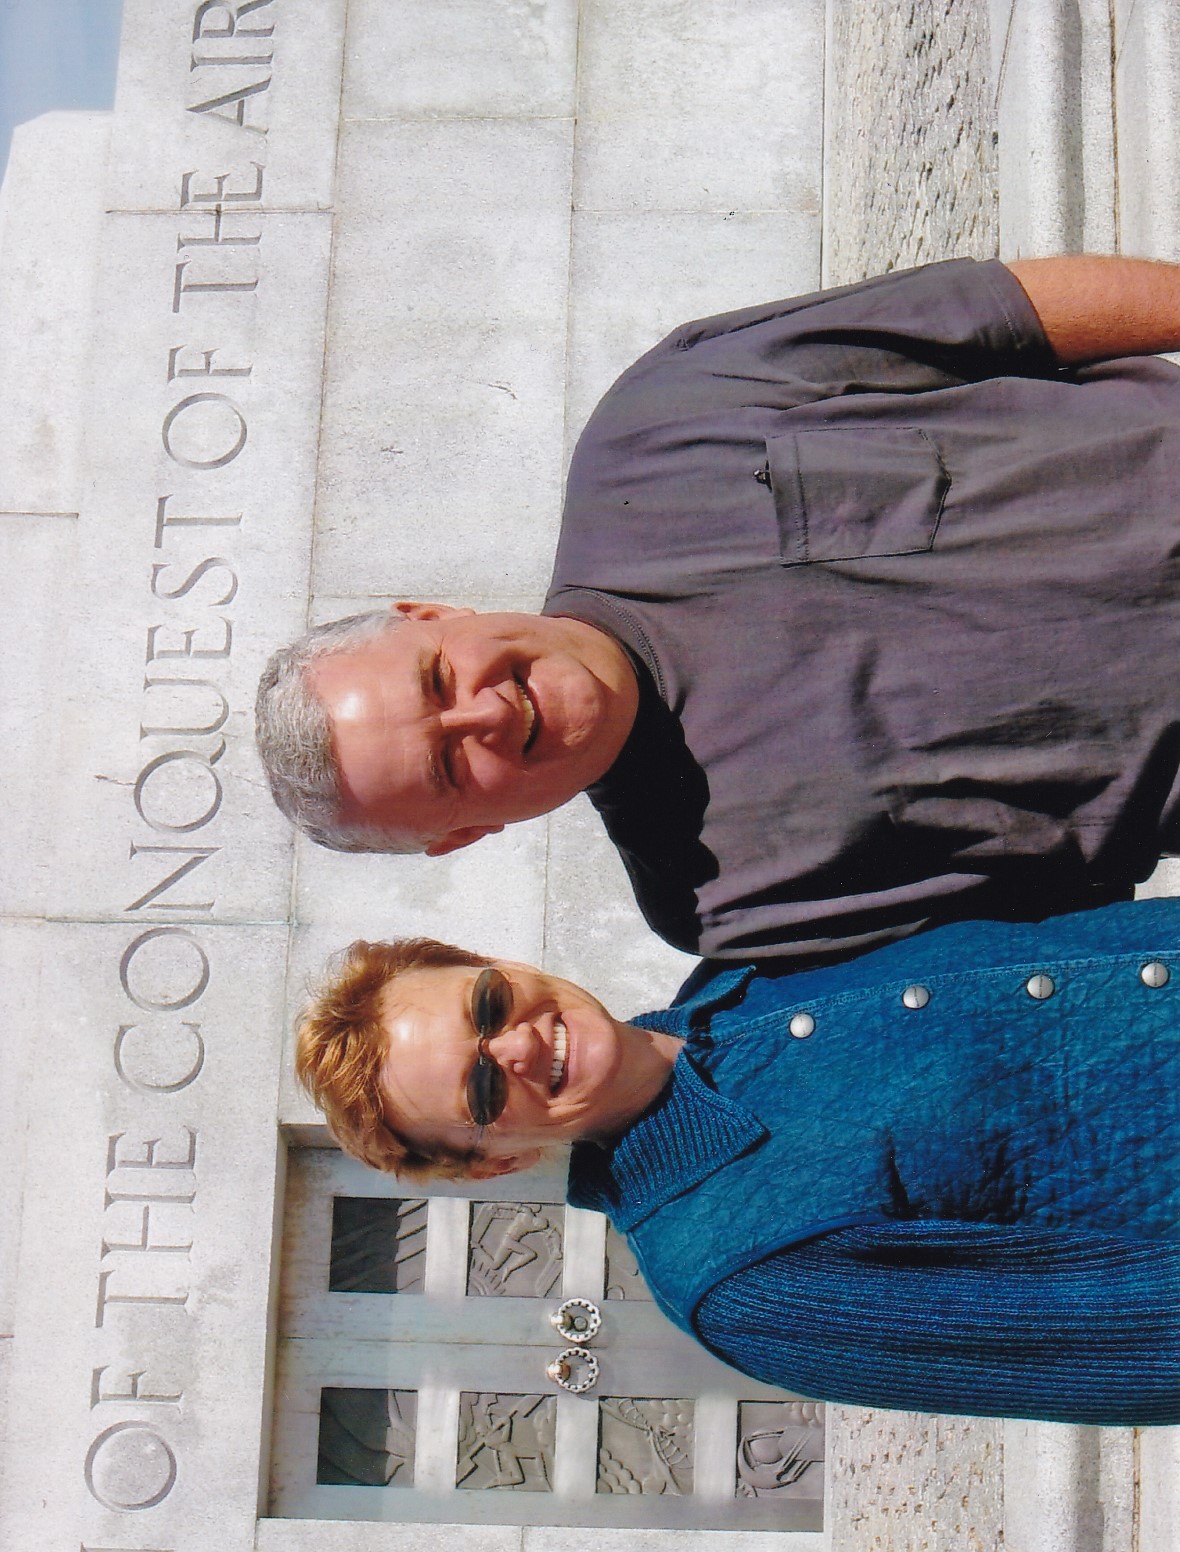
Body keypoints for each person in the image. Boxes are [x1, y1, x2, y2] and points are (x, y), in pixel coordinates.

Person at [259, 255, 1180, 963]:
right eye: (451, 764)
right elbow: (1063, 934)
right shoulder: (724, 904)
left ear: (430, 615)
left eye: (438, 681)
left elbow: (1004, 311)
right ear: (467, 835)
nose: (488, 711)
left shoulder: (657, 429)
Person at [296, 896, 1180, 1426]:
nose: (517, 1046)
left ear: (498, 963)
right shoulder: (736, 1282)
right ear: (493, 1165)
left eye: (487, 1004)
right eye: (484, 1096)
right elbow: (1135, 1343)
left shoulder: (750, 953)